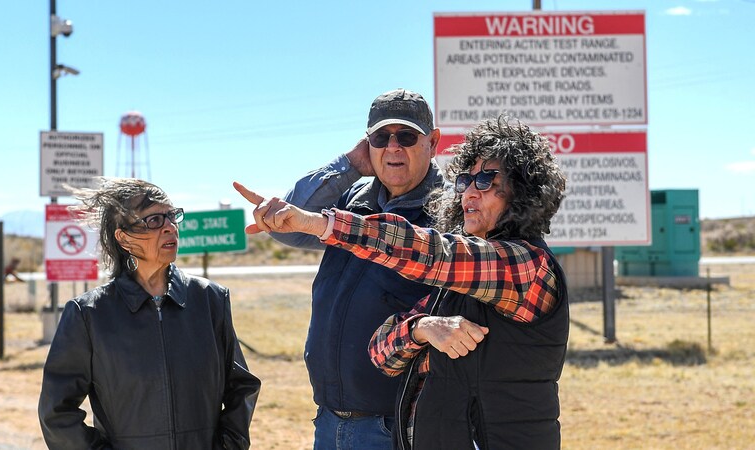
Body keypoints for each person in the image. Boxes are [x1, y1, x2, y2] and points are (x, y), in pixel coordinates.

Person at [235, 114, 569, 450]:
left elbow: (429, 252)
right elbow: (381, 351)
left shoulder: (527, 267)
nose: (469, 192)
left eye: (485, 180)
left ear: (522, 191)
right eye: (464, 181)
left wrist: (318, 223)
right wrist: (422, 327)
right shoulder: (458, 284)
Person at [266, 88, 446, 449]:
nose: (393, 147)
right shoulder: (352, 200)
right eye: (381, 137)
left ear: (433, 142)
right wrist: (350, 165)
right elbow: (288, 224)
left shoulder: (447, 215)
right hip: (329, 419)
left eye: (407, 136)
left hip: (397, 426)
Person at [38, 178, 260, 450]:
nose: (169, 227)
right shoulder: (89, 315)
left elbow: (241, 388)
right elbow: (57, 413)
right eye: (154, 220)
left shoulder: (210, 300)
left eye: (171, 216)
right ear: (124, 238)